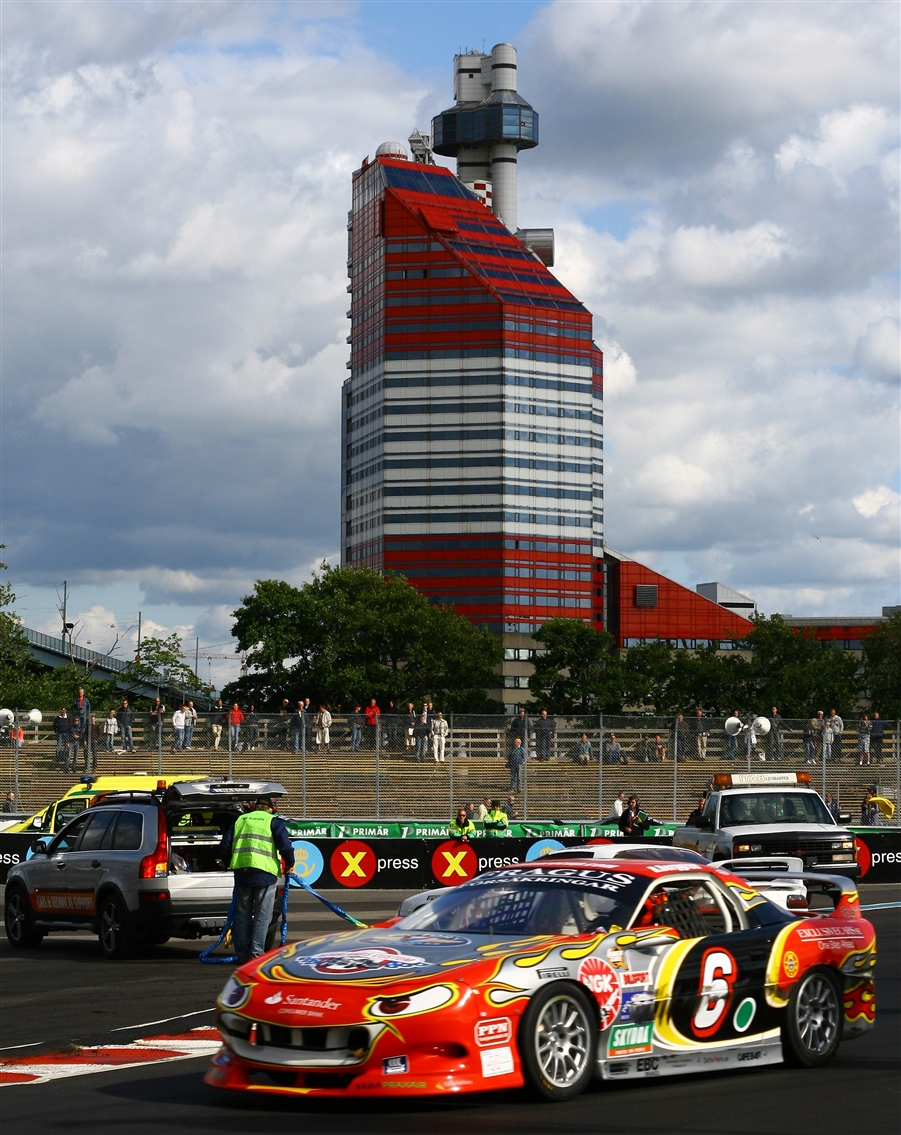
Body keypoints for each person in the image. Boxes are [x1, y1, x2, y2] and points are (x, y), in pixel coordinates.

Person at [220, 797, 295, 965]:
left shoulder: (240, 820)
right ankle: (256, 955)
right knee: (262, 916)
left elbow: (224, 846)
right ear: (272, 808)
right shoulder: (273, 822)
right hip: (265, 873)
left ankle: (242, 955)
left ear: (254, 807)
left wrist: (228, 862)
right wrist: (290, 863)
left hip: (242, 873)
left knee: (242, 915)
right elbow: (285, 846)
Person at [71, 687, 91, 766]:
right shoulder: (76, 700)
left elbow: (89, 707)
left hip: (83, 715)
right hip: (78, 715)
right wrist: (75, 712)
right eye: (79, 692)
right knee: (77, 727)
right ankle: (78, 740)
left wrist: (86, 712)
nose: (80, 694)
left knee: (83, 728)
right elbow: (72, 707)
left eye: (81, 692)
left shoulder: (86, 700)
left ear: (83, 693)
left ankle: (83, 740)